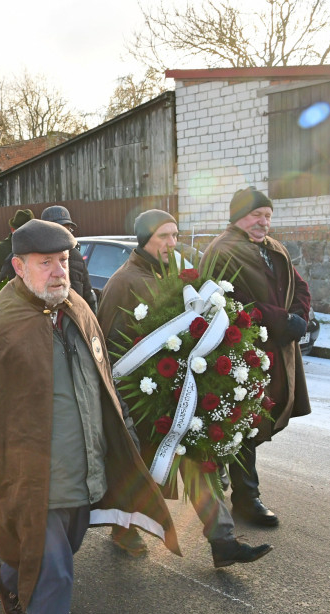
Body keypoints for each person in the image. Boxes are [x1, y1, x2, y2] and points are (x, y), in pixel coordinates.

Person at [0, 218, 179, 614]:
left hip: (83, 470)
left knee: (62, 551)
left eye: (63, 261)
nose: (58, 271)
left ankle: (8, 579)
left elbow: (105, 380)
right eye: (46, 263)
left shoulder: (81, 309)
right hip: (29, 477)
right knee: (55, 575)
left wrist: (124, 425)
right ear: (18, 266)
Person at [98, 209, 273, 567]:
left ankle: (222, 542)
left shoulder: (176, 273)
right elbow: (109, 341)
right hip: (142, 399)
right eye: (163, 236)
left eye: (175, 235)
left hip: (181, 395)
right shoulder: (124, 280)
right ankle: (122, 526)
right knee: (141, 468)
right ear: (144, 239)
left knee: (199, 462)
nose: (172, 243)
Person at [199, 187, 312, 527]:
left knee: (255, 420)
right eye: (256, 215)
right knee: (242, 420)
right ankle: (246, 498)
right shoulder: (223, 250)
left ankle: (241, 492)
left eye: (268, 216)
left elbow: (300, 286)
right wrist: (281, 321)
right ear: (238, 217)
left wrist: (299, 317)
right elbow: (230, 299)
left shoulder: (274, 249)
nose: (264, 222)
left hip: (275, 349)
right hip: (241, 351)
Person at [38, 205, 97, 314]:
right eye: (60, 230)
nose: (65, 235)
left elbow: (88, 295)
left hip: (75, 321)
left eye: (68, 230)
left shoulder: (76, 256)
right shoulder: (35, 258)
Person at [0, 208, 33, 280]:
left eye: (29, 230)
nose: (26, 234)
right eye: (22, 231)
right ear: (13, 230)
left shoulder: (39, 249)